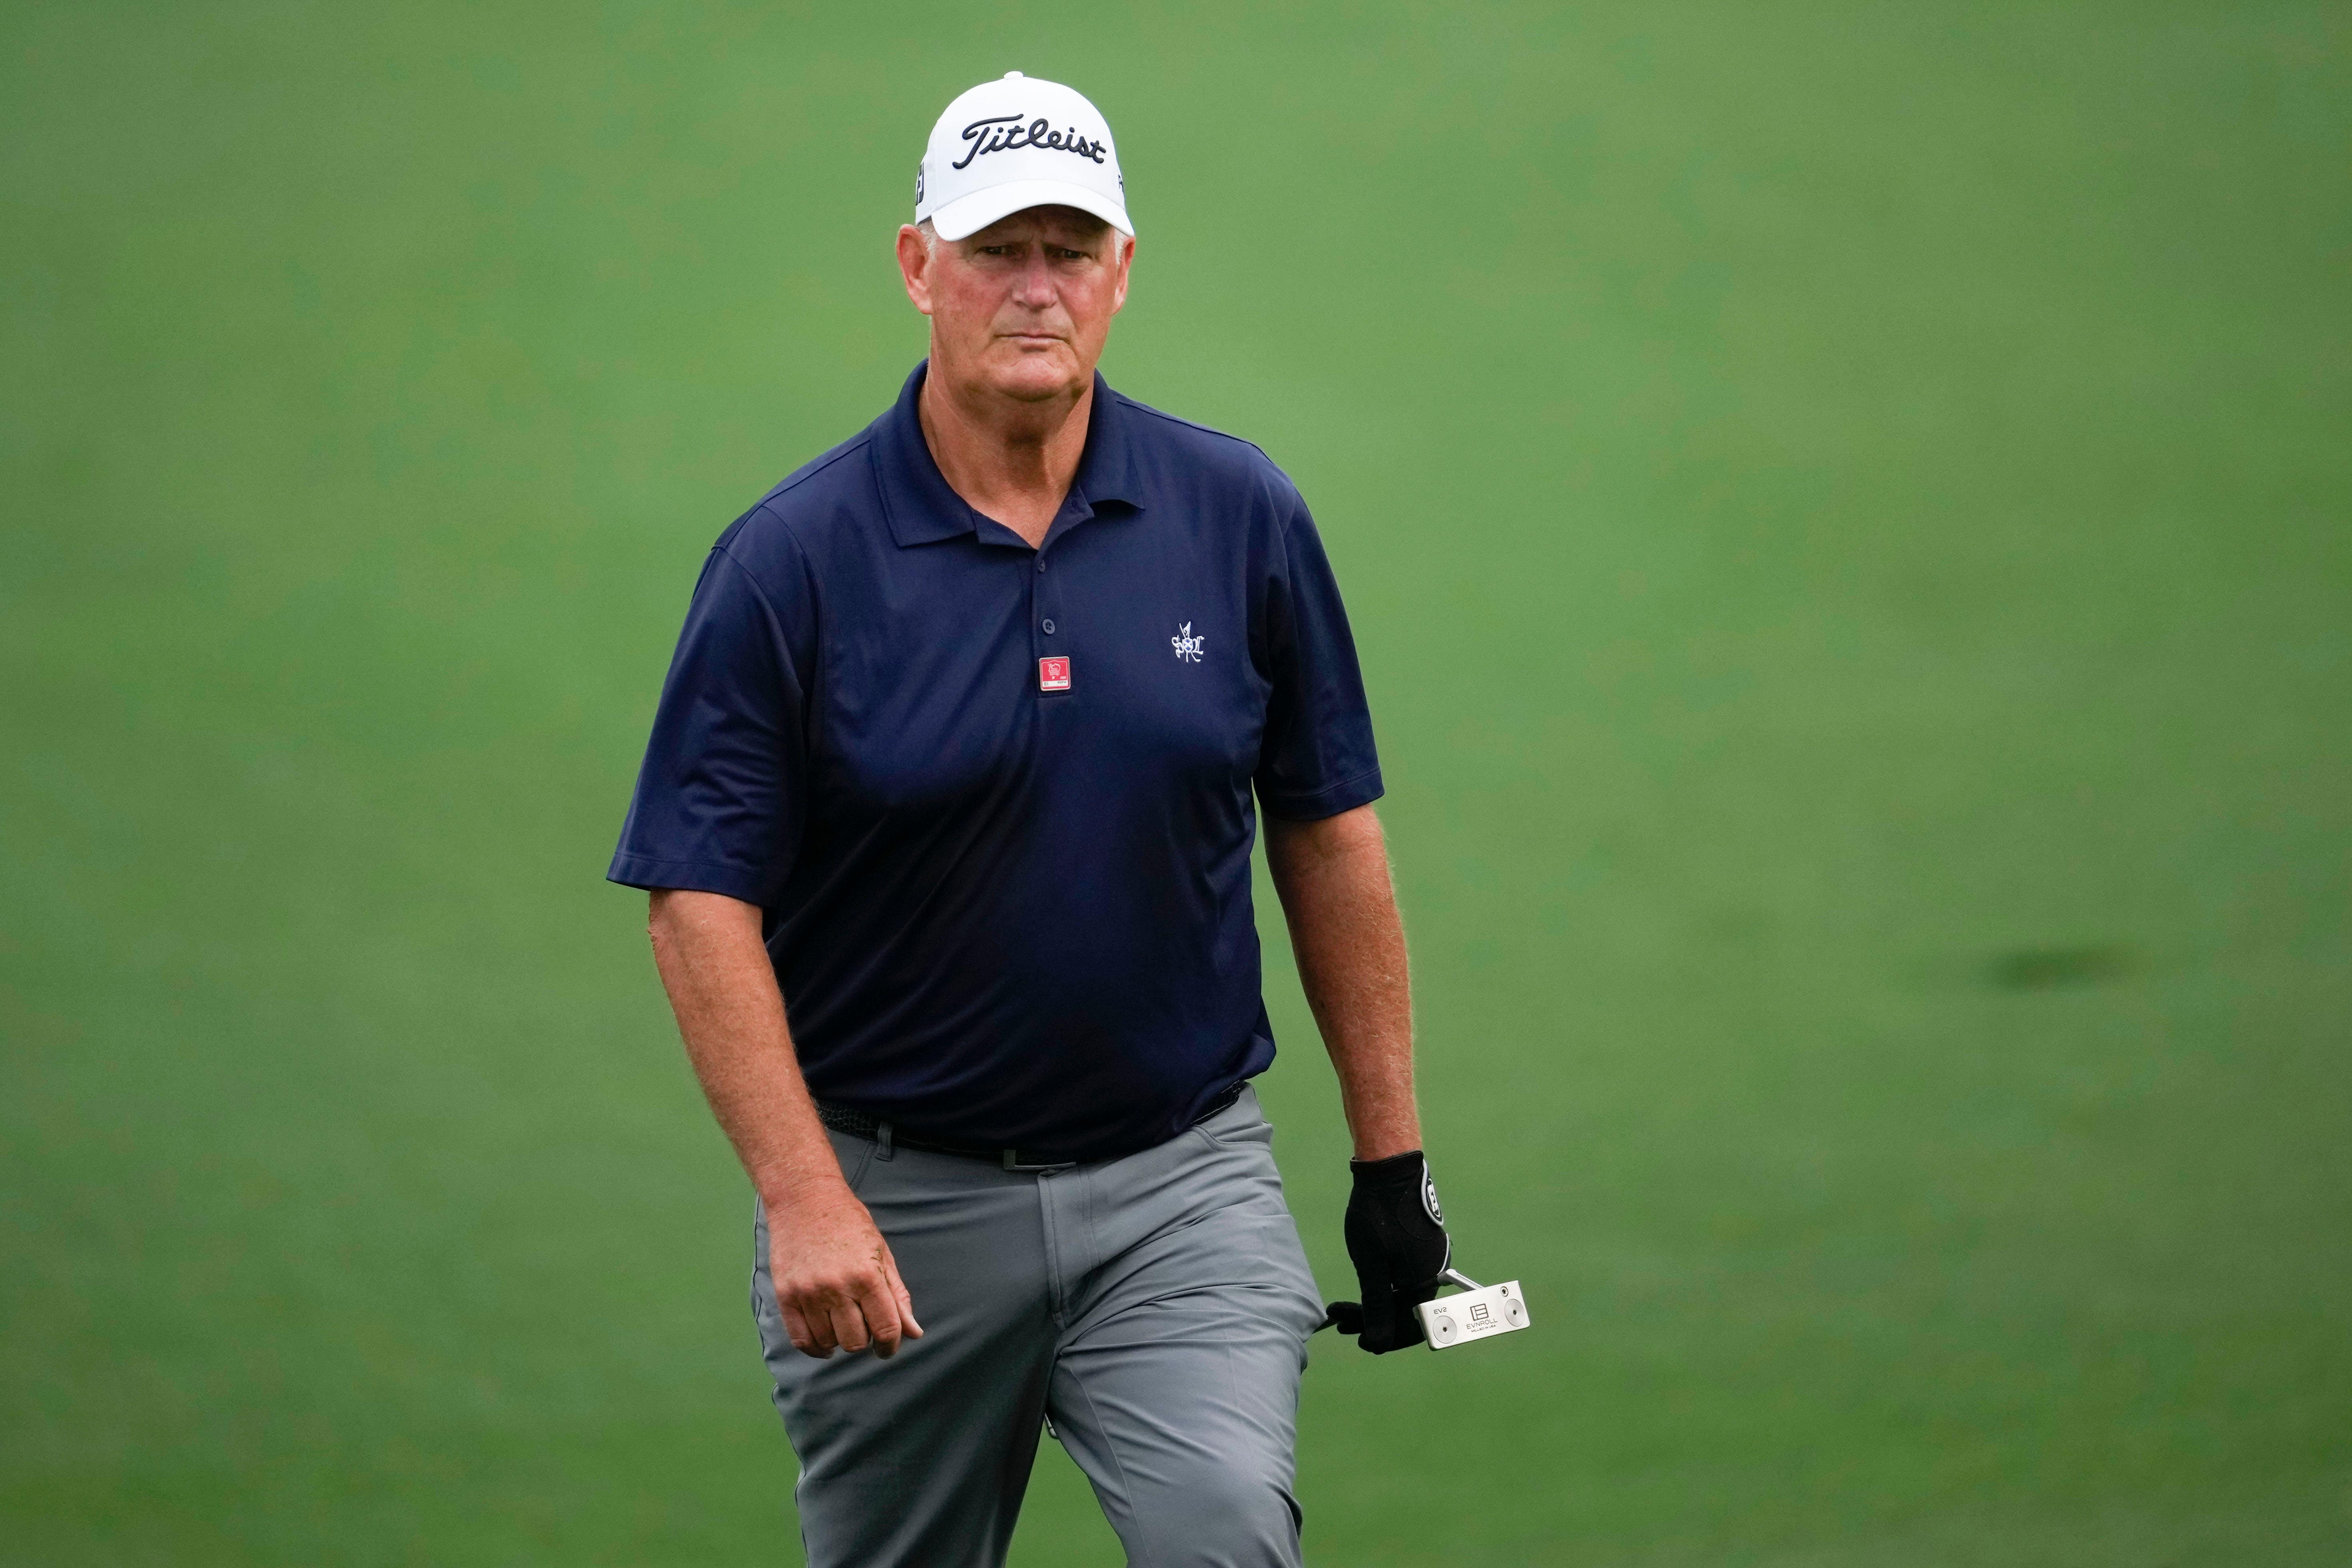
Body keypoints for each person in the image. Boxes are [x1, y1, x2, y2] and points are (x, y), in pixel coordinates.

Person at [608, 71, 1453, 1568]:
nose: (1036, 288)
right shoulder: (791, 564)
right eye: (997, 249)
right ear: (917, 263)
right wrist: (803, 1200)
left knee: (1225, 1540)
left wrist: (1392, 1165)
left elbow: (1327, 828)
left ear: (1123, 271)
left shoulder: (1237, 513)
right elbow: (698, 899)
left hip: (1180, 1180)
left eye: (1072, 248)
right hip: (893, 1209)